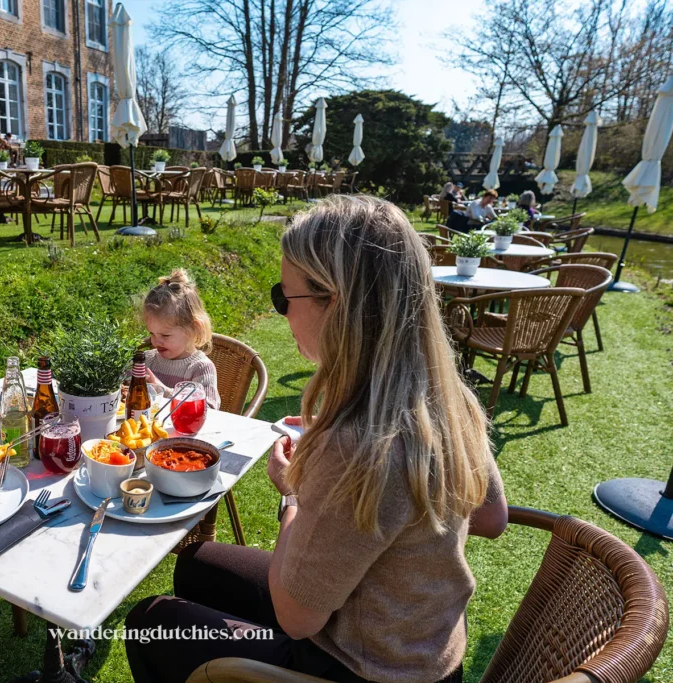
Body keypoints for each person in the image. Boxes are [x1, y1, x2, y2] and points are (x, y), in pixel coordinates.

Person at [125, 196, 507, 683]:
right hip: (426, 647)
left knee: (148, 621)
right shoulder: (447, 397)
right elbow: (492, 519)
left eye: (284, 298)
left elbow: (297, 618)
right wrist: (368, 527)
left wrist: (295, 494)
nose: (283, 314)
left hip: (358, 665)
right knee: (197, 564)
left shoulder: (354, 442)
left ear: (338, 303)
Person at [141, 268, 220, 410]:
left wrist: (164, 391)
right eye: (152, 333)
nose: (155, 342)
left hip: (183, 431)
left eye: (165, 335)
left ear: (193, 328)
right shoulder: (147, 360)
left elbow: (208, 411)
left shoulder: (200, 368)